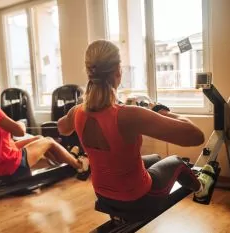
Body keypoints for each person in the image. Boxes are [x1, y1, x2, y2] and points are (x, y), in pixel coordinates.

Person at [57, 40, 215, 215]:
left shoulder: (78, 111)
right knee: (177, 162)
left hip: (103, 195)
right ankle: (202, 189)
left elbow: (62, 128)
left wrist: (74, 113)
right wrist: (160, 112)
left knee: (155, 158)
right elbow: (196, 136)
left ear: (89, 73)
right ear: (118, 71)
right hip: (138, 199)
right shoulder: (129, 115)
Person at [0, 67, 89, 180]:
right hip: (9, 166)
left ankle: (63, 164)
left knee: (39, 138)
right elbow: (20, 132)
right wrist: (21, 123)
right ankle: (79, 165)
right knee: (48, 140)